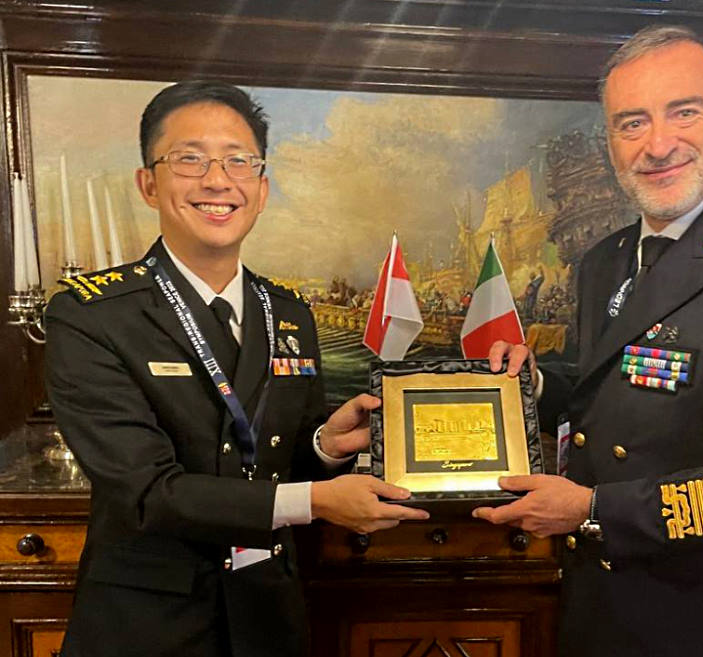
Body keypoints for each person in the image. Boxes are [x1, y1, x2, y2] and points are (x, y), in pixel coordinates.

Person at [476, 25, 703, 657]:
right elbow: (612, 389)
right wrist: (535, 382)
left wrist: (594, 509)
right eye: (631, 123)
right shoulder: (605, 260)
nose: (658, 144)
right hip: (601, 607)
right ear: (611, 142)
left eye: (684, 112)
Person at [45, 81, 428, 657]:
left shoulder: (290, 311)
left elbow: (279, 455)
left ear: (262, 186)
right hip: (149, 621)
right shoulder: (92, 314)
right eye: (190, 159)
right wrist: (316, 502)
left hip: (267, 610)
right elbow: (147, 492)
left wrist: (325, 444)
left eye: (238, 161)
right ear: (148, 184)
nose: (217, 180)